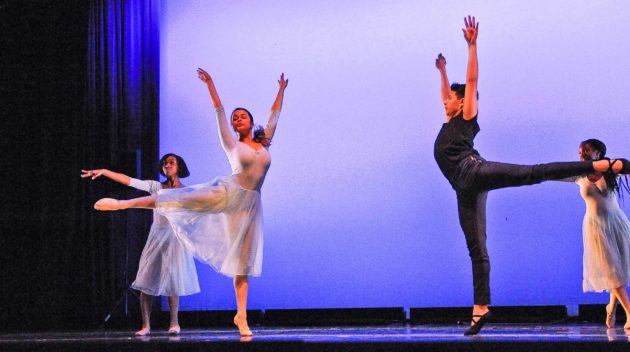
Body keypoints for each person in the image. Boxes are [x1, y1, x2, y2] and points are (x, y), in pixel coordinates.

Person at [433, 16, 630, 335]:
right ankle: (480, 308)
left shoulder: (466, 117)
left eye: (450, 99)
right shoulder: (449, 119)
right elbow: (448, 92)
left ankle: (600, 165)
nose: (445, 101)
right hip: (462, 188)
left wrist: (472, 46)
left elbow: (470, 83)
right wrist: (442, 72)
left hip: (475, 170)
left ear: (461, 105)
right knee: (477, 247)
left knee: (532, 174)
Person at [93, 68, 288, 336]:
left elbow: (274, 116)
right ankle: (120, 205)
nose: (237, 119)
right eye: (235, 118)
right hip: (228, 191)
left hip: (251, 206)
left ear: (251, 121)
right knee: (177, 197)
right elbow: (219, 111)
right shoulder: (231, 144)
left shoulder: (264, 145)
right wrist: (211, 85)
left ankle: (241, 316)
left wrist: (281, 90)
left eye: (242, 116)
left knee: (242, 262)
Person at [82, 153, 200, 336]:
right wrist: (105, 171)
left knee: (173, 282)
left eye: (171, 163)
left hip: (175, 239)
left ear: (179, 167)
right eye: (164, 163)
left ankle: (174, 323)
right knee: (146, 281)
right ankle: (146, 325)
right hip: (157, 237)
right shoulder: (155, 187)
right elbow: (130, 181)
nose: (167, 166)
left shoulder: (187, 191)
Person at [574, 139, 630, 329]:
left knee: (618, 270)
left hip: (616, 223)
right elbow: (555, 173)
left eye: (587, 151)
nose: (582, 155)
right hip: (596, 227)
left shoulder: (610, 170)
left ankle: (611, 308)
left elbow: (626, 167)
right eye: (581, 152)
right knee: (611, 270)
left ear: (598, 152)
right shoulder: (578, 174)